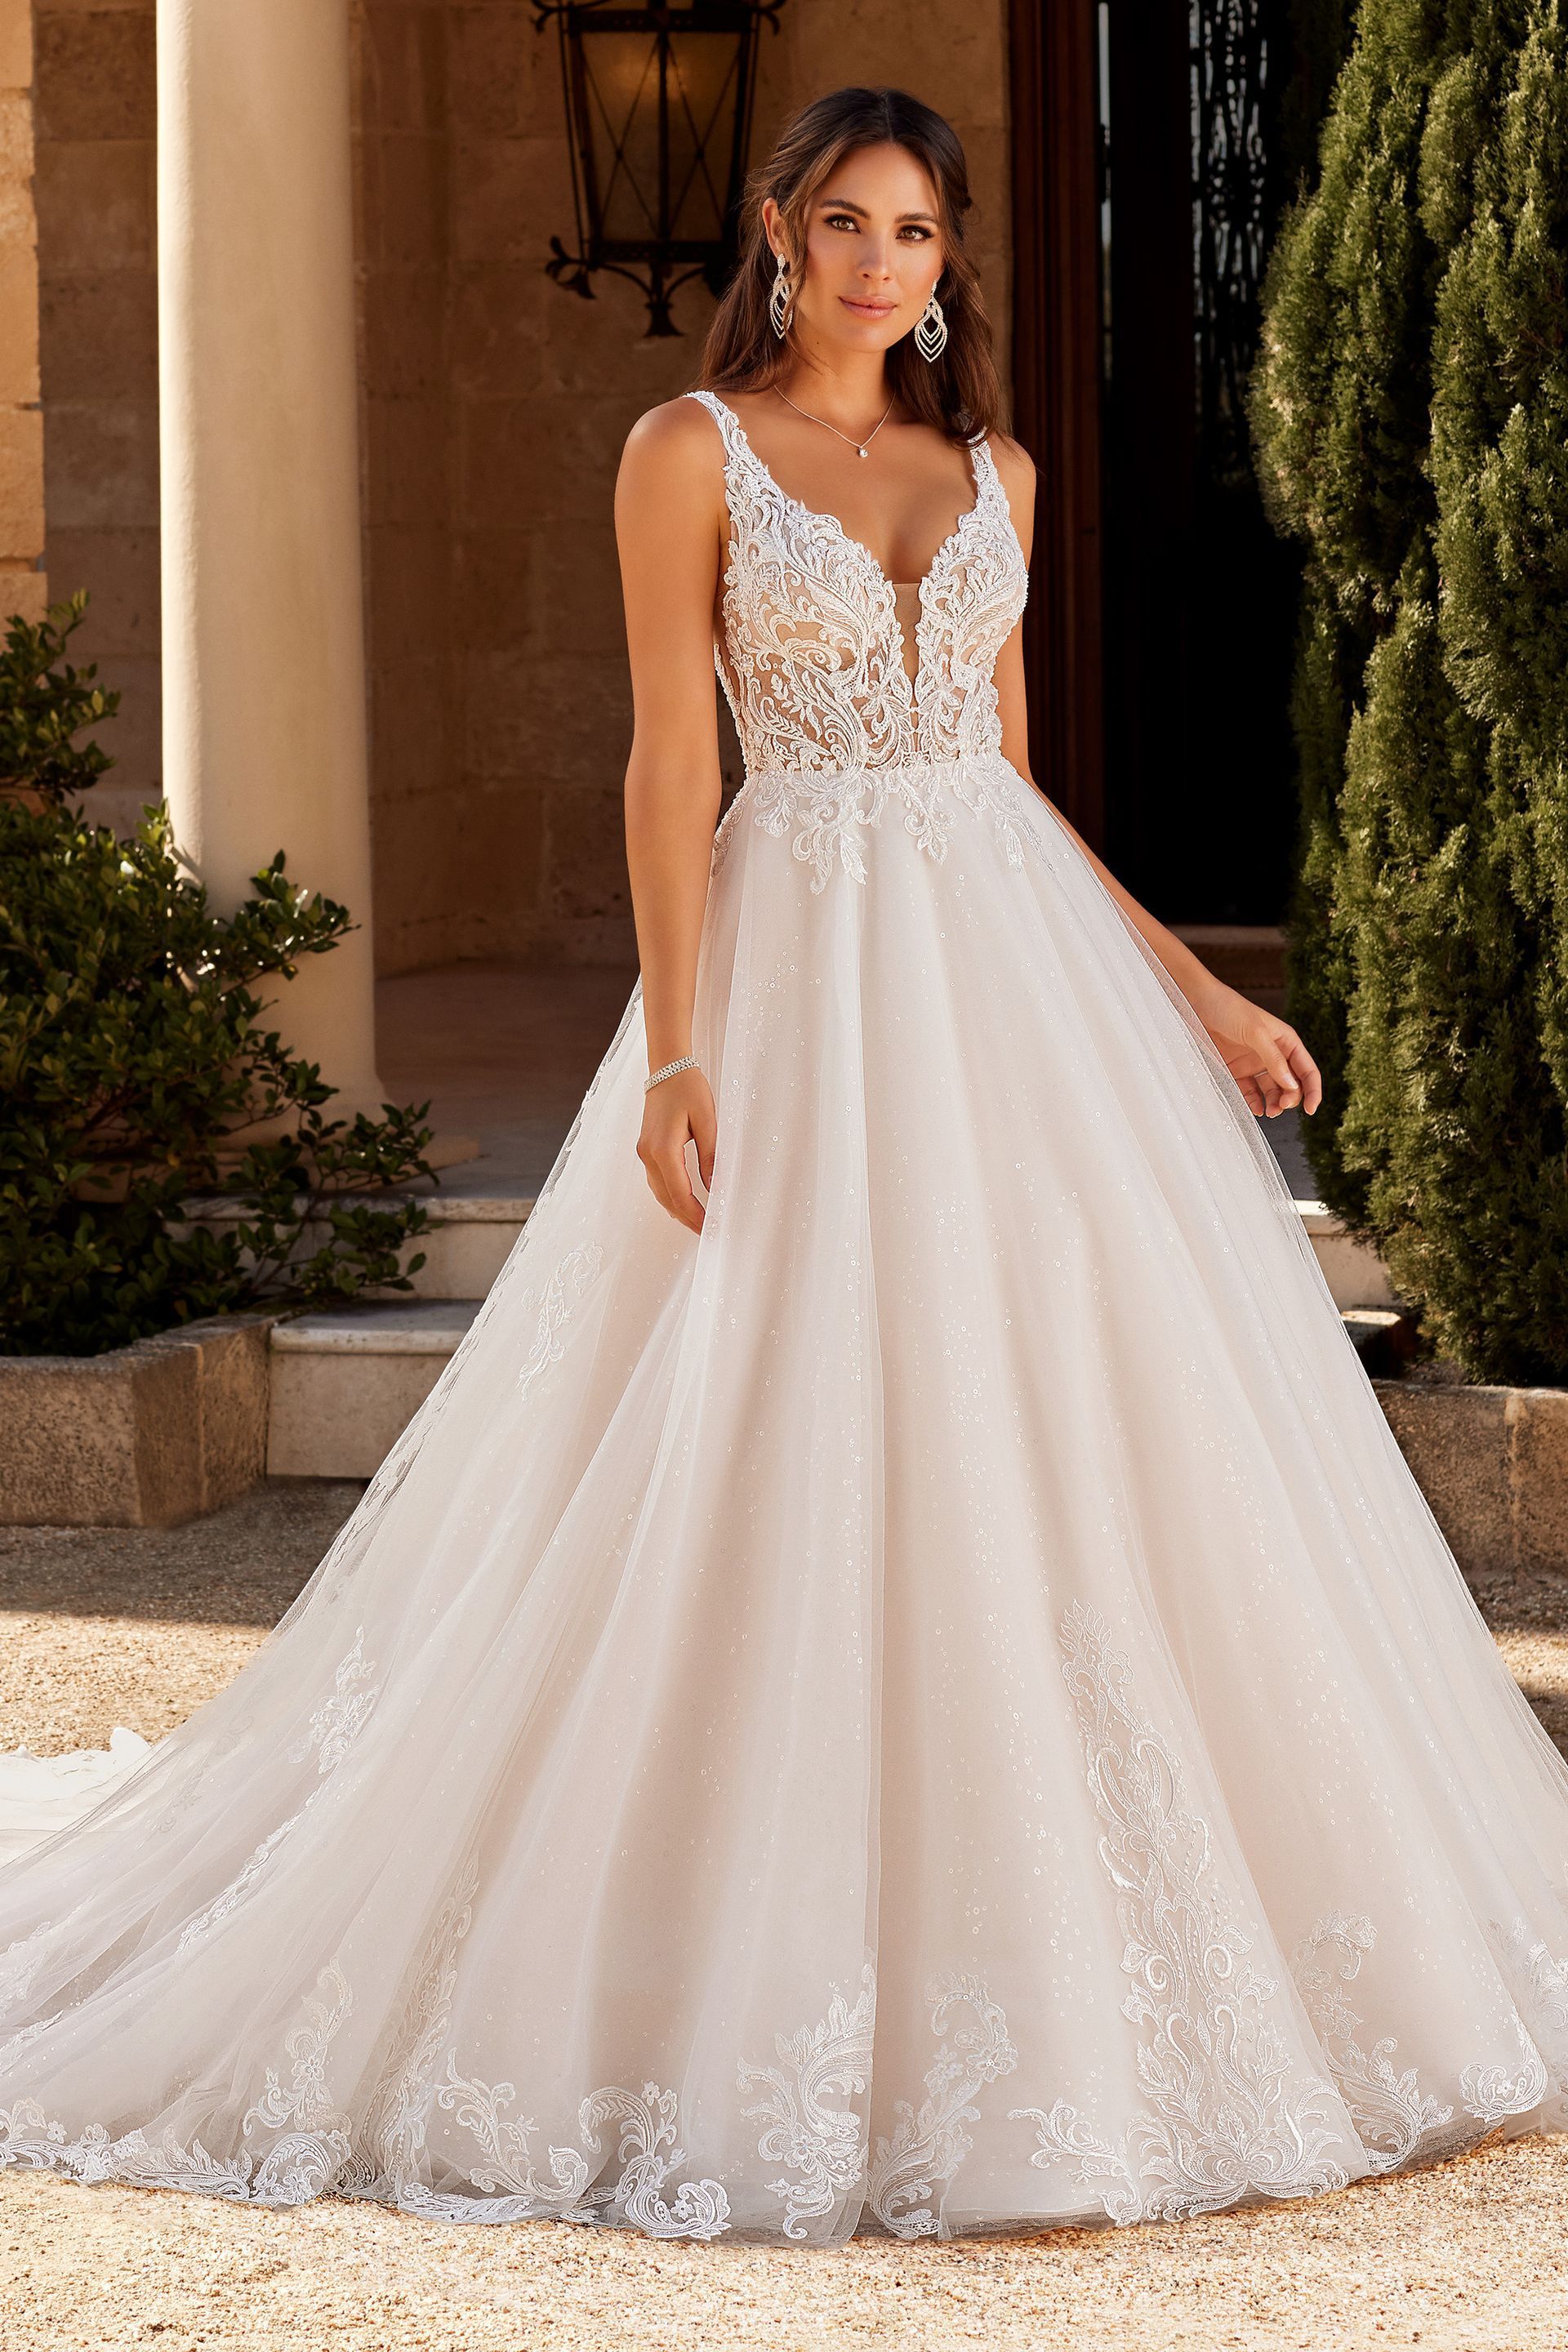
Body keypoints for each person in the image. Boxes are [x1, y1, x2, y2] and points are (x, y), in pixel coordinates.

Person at [2, 84, 1567, 2249]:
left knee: (1063, 1422)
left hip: (1009, 984)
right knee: (775, 1408)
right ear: (775, 230)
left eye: (916, 230)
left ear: (948, 261)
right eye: (845, 221)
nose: (880, 261)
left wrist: (1191, 992)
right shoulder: (689, 453)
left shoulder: (996, 467)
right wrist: (674, 1044)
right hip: (796, 959)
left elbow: (1003, 780)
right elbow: (668, 754)